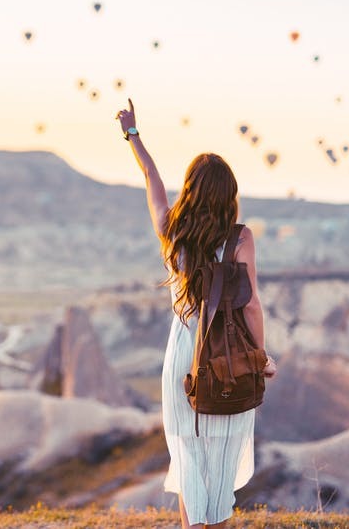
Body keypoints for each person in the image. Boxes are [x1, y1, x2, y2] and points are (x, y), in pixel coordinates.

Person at [115, 99, 276, 529]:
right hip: (226, 357)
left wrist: (133, 134)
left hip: (182, 356)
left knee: (187, 460)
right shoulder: (240, 238)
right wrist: (261, 357)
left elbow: (151, 177)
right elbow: (252, 304)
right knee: (219, 466)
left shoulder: (171, 230)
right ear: (230, 196)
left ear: (190, 190)